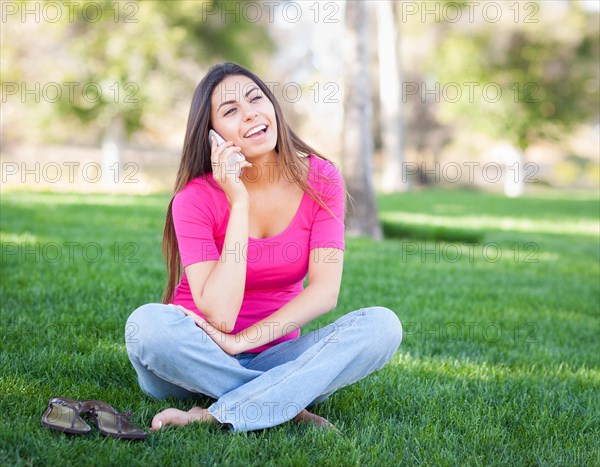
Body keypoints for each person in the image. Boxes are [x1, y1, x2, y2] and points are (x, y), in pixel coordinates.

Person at [125, 62, 403, 433]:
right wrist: (237, 203)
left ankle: (221, 411)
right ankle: (284, 402)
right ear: (212, 136)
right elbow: (220, 317)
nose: (250, 113)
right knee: (147, 326)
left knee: (383, 326)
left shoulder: (320, 178)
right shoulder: (194, 200)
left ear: (273, 106)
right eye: (230, 111)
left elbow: (325, 293)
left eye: (256, 98)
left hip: (277, 355)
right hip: (194, 358)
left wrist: (241, 343)